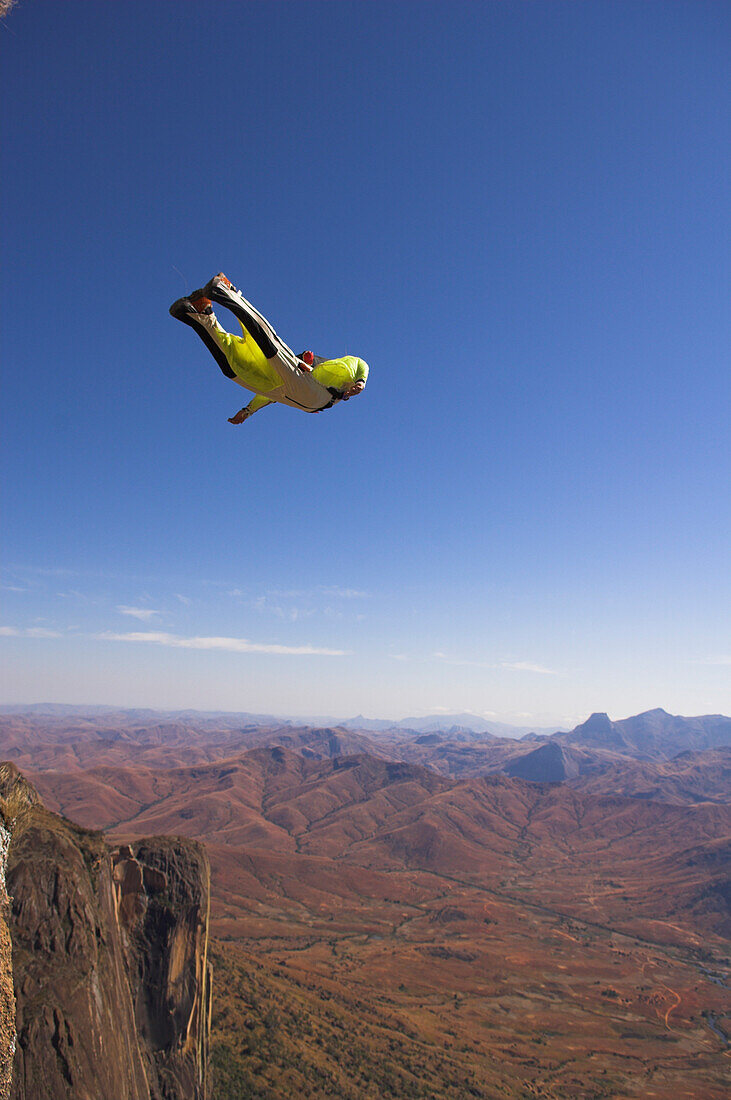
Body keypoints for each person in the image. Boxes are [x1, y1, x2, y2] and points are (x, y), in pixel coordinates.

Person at [170, 274, 369, 424]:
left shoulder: (321, 399)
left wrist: (248, 411)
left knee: (235, 370)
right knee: (271, 346)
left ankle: (199, 313)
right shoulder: (335, 381)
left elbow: (268, 397)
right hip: (309, 387)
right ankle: (226, 290)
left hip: (283, 392)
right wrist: (361, 380)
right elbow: (358, 362)